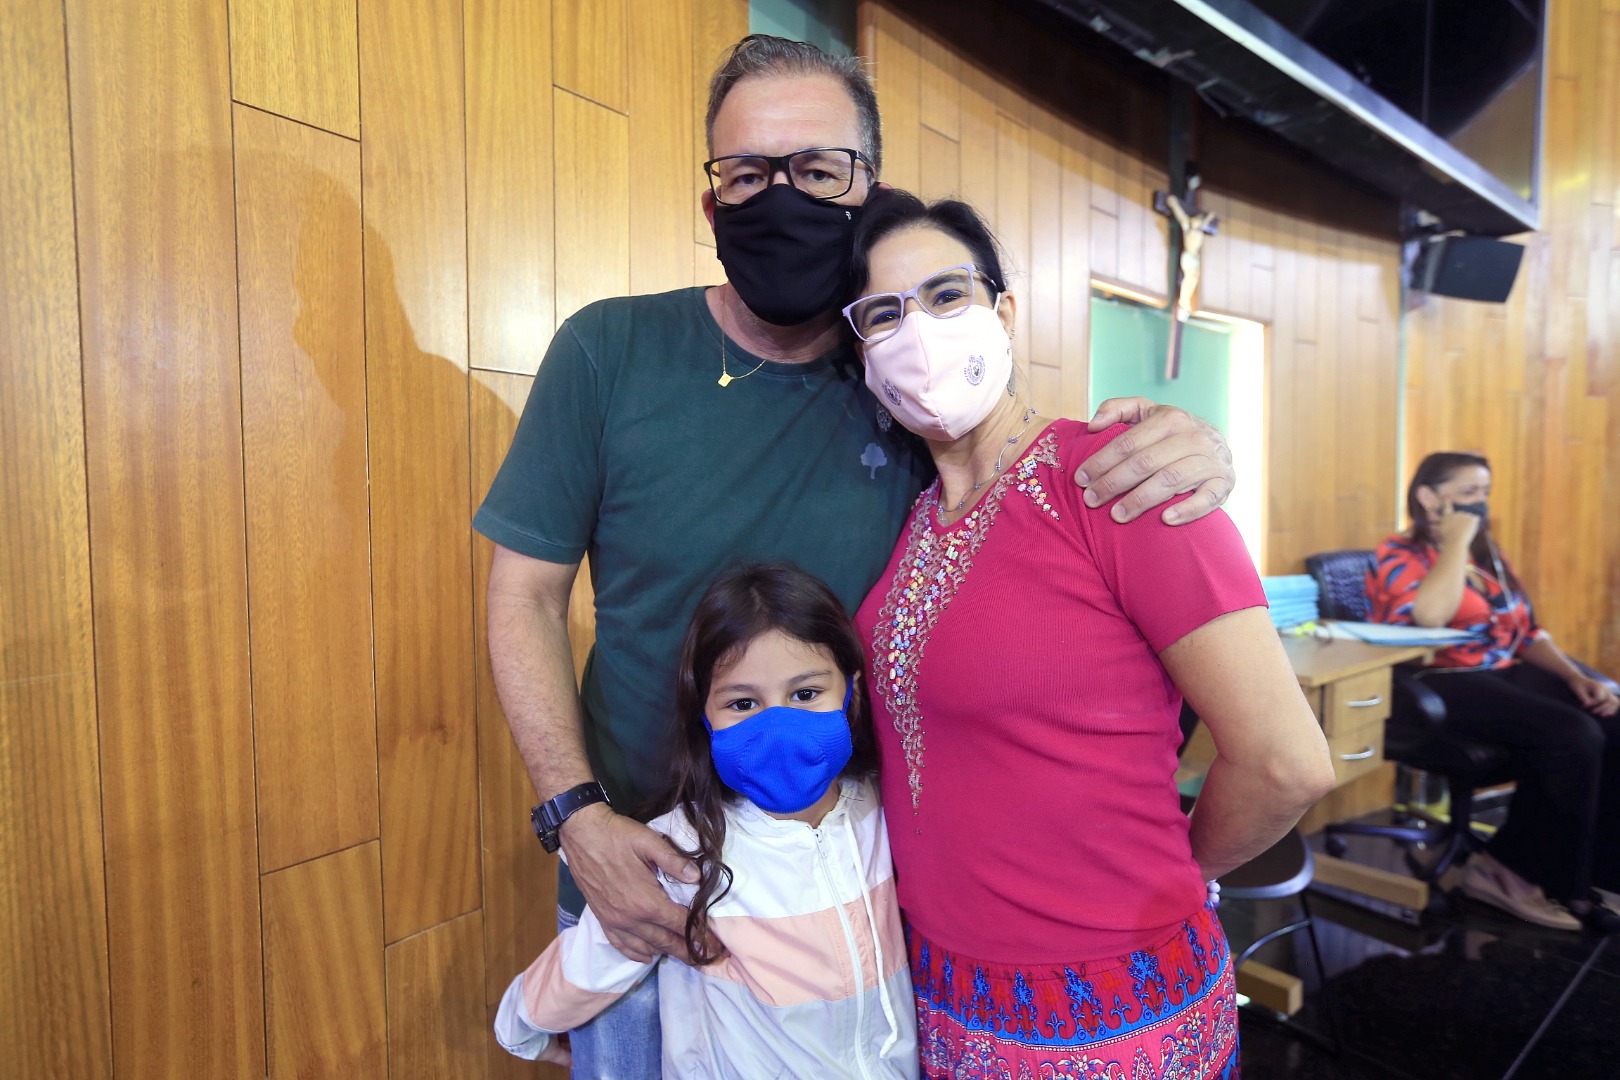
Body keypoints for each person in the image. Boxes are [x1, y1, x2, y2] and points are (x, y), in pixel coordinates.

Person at [475, 35, 1240, 1078]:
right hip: (648, 883)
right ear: (712, 202)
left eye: (818, 169)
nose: (780, 195)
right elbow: (523, 596)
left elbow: (1020, 463)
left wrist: (1183, 444)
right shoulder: (609, 350)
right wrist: (575, 818)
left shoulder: (902, 377)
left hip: (861, 888)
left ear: (866, 189)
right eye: (748, 173)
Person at [843, 191, 1336, 1078]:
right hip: (946, 991)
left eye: (946, 295)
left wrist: (1175, 874)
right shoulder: (911, 521)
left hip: (1114, 999)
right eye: (884, 314)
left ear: (1005, 312)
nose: (917, 331)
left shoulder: (1120, 478)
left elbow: (1285, 762)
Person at [493, 564, 917, 1077]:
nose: (777, 726)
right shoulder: (680, 851)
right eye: (743, 703)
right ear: (706, 719)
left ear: (852, 692)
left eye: (805, 694)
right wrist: (520, 1026)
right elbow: (591, 959)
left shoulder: (880, 808)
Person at [1367, 451, 1620, 931]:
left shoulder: (1489, 556)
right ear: (1428, 497)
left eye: (1484, 493)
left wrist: (1576, 677)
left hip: (1500, 669)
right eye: (1468, 493)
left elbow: (1527, 631)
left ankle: (1599, 874)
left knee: (1612, 719)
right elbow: (1430, 616)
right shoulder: (1396, 554)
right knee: (1572, 734)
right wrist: (1456, 543)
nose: (1480, 504)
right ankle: (1509, 873)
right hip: (1438, 679)